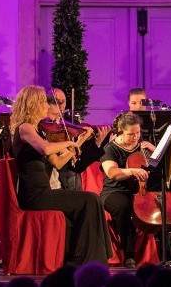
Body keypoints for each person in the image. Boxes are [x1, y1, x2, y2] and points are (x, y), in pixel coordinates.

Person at [10, 84, 109, 265]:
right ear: (33, 104)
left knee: (92, 199)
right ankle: (86, 258)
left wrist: (78, 142)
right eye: (43, 102)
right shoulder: (25, 128)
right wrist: (67, 143)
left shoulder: (39, 130)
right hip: (35, 195)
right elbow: (46, 149)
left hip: (44, 192)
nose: (47, 106)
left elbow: (57, 162)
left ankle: (88, 257)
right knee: (90, 200)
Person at [99, 112, 164, 262]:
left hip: (140, 192)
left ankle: (164, 254)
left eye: (138, 133)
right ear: (121, 131)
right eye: (130, 134)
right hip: (114, 191)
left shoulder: (143, 147)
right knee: (124, 206)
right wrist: (131, 171)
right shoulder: (110, 148)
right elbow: (112, 173)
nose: (135, 137)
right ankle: (129, 254)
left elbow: (162, 168)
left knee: (161, 207)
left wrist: (155, 151)